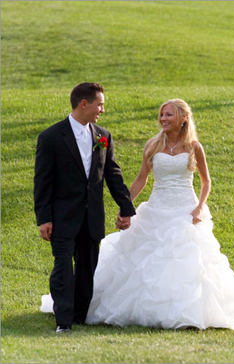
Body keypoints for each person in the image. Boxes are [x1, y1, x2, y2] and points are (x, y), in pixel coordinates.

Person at [43, 98, 234, 330]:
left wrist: (199, 208)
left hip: (186, 210)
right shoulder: (153, 145)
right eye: (161, 115)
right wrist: (127, 207)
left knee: (188, 260)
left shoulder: (194, 147)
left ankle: (188, 311)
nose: (163, 119)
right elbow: (141, 179)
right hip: (156, 208)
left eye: (169, 115)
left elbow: (206, 182)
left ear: (184, 118)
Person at [34, 82, 136, 333]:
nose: (102, 109)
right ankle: (64, 322)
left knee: (87, 269)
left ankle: (79, 315)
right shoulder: (50, 137)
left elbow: (112, 174)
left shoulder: (103, 135)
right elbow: (42, 182)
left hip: (92, 217)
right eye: (99, 104)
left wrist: (126, 207)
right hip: (61, 218)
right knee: (62, 268)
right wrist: (44, 218)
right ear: (84, 104)